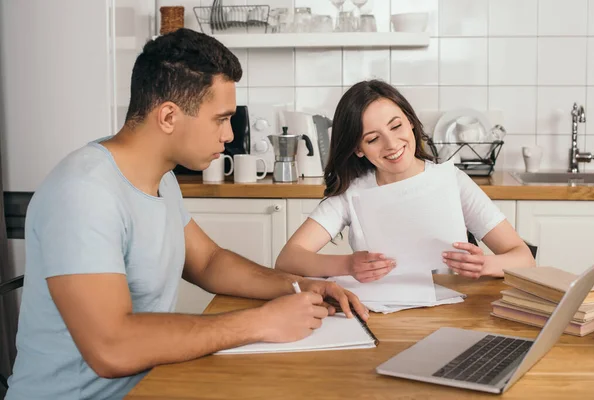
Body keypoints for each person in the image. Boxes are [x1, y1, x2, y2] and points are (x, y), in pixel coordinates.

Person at [6, 28, 367, 400]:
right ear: (167, 116)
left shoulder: (161, 179)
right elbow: (110, 349)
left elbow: (208, 262)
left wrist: (296, 285)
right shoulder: (82, 193)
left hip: (151, 384)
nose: (228, 134)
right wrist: (261, 322)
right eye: (220, 119)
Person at [276, 80, 536, 283]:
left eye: (396, 126)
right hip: (380, 313)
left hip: (451, 307)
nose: (391, 144)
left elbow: (523, 258)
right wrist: (347, 265)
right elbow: (288, 259)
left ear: (410, 122)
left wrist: (486, 265)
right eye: (372, 139)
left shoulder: (452, 181)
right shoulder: (352, 193)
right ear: (358, 149)